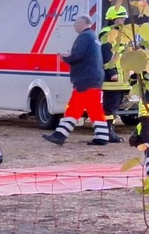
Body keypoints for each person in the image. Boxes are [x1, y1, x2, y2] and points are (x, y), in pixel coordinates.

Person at [44, 15, 107, 146]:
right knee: (94, 109)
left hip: (85, 79)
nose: (75, 26)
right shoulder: (93, 36)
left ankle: (60, 134)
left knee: (75, 107)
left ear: (82, 23)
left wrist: (65, 58)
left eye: (76, 24)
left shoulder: (84, 37)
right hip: (94, 78)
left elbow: (78, 56)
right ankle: (102, 136)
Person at [99, 6, 131, 144]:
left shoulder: (120, 36)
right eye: (121, 18)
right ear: (113, 19)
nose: (123, 20)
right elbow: (106, 58)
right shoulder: (107, 36)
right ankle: (107, 133)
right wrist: (112, 73)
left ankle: (109, 132)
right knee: (109, 109)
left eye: (124, 18)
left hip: (120, 81)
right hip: (112, 81)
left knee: (113, 109)